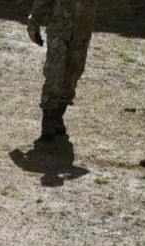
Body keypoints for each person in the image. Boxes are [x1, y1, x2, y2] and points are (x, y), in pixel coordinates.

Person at [28, 0, 97, 143]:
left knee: (73, 73)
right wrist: (33, 23)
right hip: (59, 28)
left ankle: (58, 114)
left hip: (81, 31)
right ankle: (48, 118)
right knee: (55, 71)